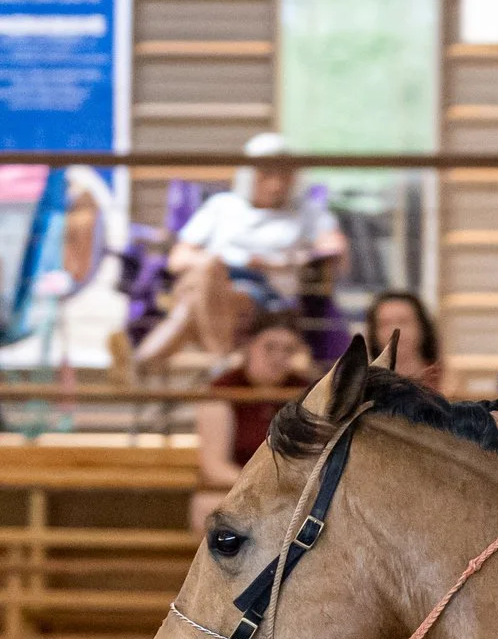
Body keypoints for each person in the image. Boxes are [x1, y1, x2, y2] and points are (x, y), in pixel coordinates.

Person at [137, 134, 347, 368]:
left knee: (191, 302)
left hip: (267, 297)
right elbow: (178, 258)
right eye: (267, 173)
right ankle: (222, 357)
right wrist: (224, 264)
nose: (277, 182)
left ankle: (140, 365)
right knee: (206, 273)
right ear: (249, 174)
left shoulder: (307, 212)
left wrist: (282, 263)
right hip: (216, 280)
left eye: (285, 173)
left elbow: (334, 249)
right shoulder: (222, 206)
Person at [191, 309, 308, 532]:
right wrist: (264, 487)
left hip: (289, 490)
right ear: (249, 345)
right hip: (236, 487)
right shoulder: (222, 390)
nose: (278, 357)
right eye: (270, 347)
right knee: (210, 507)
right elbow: (214, 466)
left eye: (288, 350)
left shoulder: (304, 391)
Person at [365, 289, 447, 392]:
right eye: (384, 323)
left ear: (422, 327)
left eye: (403, 322)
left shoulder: (448, 380)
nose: (394, 331)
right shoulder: (365, 387)